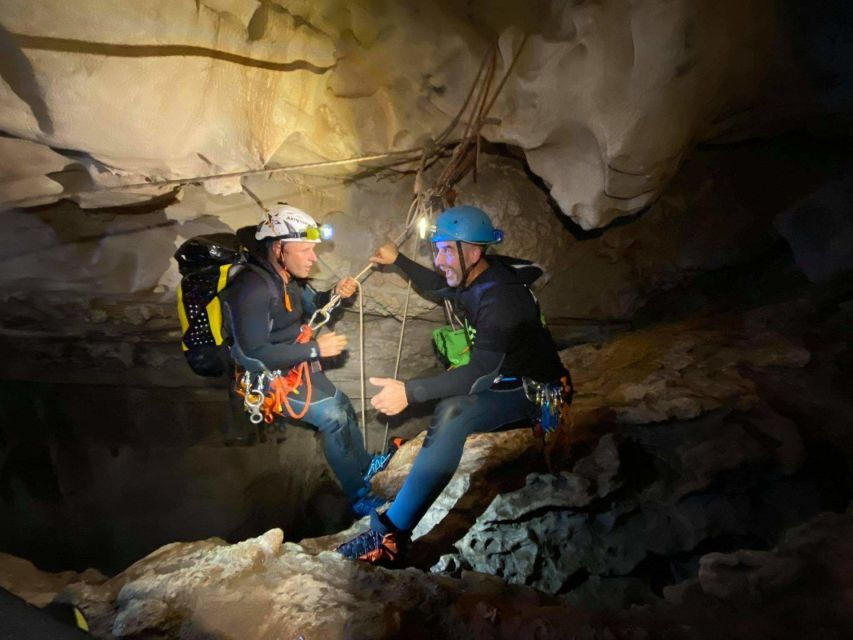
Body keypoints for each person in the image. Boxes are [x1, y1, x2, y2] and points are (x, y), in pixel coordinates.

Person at [336, 205, 572, 565]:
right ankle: (392, 530)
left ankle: (390, 537)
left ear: (474, 252)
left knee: (453, 411)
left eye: (447, 250)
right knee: (451, 400)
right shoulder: (476, 275)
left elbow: (478, 375)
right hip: (507, 378)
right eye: (437, 248)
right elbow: (438, 287)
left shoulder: (500, 300)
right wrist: (398, 259)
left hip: (534, 392)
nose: (438, 258)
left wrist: (409, 392)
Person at [220, 204, 386, 517]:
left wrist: (336, 294)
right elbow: (254, 352)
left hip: (292, 366)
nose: (313, 257)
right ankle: (360, 495)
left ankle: (366, 465)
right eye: (305, 250)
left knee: (343, 403)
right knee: (333, 417)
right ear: (278, 248)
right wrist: (314, 350)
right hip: (265, 378)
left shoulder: (287, 277)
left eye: (313, 249)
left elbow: (315, 306)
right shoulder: (251, 288)